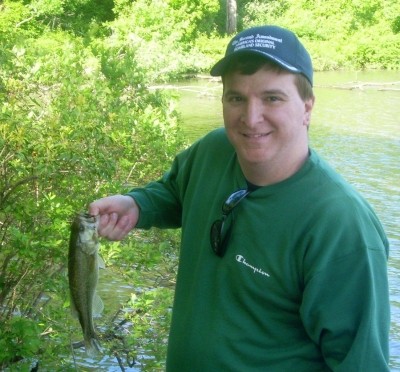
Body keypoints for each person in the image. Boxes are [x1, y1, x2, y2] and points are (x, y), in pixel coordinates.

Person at [89, 25, 390, 371]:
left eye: (272, 98)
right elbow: (175, 191)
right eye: (236, 98)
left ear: (307, 106)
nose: (250, 118)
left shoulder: (342, 227)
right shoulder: (214, 151)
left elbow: (361, 363)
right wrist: (138, 205)